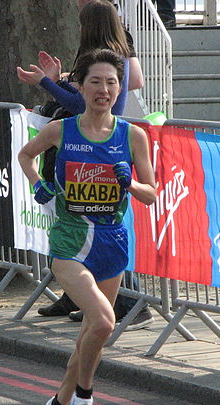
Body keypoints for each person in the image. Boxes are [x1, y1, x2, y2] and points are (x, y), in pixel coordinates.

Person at [18, 49, 156, 405]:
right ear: (80, 86)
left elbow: (150, 195)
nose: (104, 89)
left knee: (88, 338)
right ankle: (84, 400)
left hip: (112, 242)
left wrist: (130, 182)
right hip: (70, 242)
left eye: (112, 82)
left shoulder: (132, 136)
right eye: (95, 81)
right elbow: (27, 155)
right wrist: (38, 185)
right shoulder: (63, 131)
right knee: (103, 322)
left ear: (120, 89)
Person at [18, 0, 153, 330]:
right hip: (75, 145)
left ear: (90, 24)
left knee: (105, 224)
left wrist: (48, 84)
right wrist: (57, 80)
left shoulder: (106, 57)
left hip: (103, 146)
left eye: (81, 22)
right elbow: (77, 100)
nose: (103, 88)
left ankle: (128, 302)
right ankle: (77, 295)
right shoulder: (101, 57)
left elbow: (83, 101)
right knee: (74, 220)